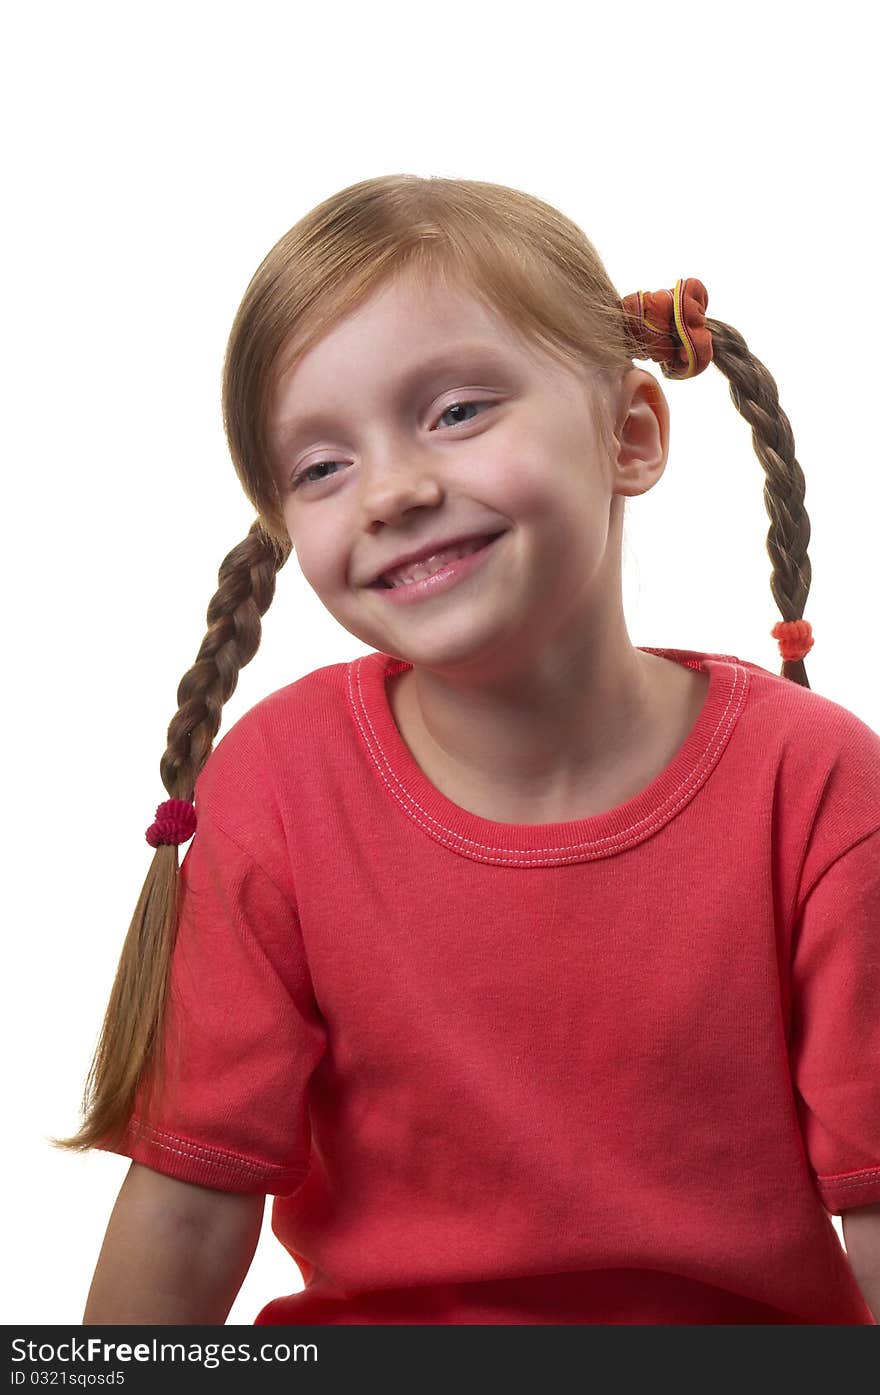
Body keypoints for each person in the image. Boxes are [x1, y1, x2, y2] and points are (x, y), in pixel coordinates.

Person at [51, 175, 880, 1326]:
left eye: (454, 412)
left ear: (630, 435)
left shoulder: (820, 785)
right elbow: (189, 1205)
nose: (391, 490)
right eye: (322, 467)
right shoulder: (279, 786)